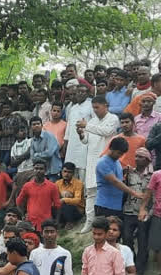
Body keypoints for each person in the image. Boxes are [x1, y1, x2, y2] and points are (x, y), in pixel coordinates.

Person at [76, 95, 120, 233]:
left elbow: (106, 132)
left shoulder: (113, 118)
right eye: (93, 108)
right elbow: (85, 141)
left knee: (104, 190)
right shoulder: (93, 120)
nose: (95, 110)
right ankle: (90, 222)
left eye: (97, 107)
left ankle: (106, 223)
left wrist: (87, 126)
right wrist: (81, 133)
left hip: (106, 160)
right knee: (90, 191)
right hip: (91, 159)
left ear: (105, 105)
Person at [95, 137, 143, 218]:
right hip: (105, 205)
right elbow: (115, 181)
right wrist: (134, 193)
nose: (120, 156)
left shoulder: (116, 161)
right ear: (111, 148)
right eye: (119, 153)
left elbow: (117, 176)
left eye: (122, 154)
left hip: (116, 205)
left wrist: (124, 171)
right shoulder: (103, 163)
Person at [15, 160, 62, 230]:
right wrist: (22, 216)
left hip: (46, 223)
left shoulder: (52, 186)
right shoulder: (27, 186)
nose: (38, 171)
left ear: (45, 170)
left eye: (41, 169)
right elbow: (18, 201)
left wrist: (57, 221)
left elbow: (58, 205)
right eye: (36, 168)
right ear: (33, 170)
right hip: (30, 223)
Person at [55, 162, 85, 229]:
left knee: (67, 205)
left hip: (77, 210)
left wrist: (64, 199)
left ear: (73, 173)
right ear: (61, 172)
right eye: (65, 171)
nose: (66, 174)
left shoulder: (78, 183)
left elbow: (77, 200)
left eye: (69, 172)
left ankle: (70, 222)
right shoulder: (57, 183)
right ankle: (60, 222)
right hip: (61, 208)